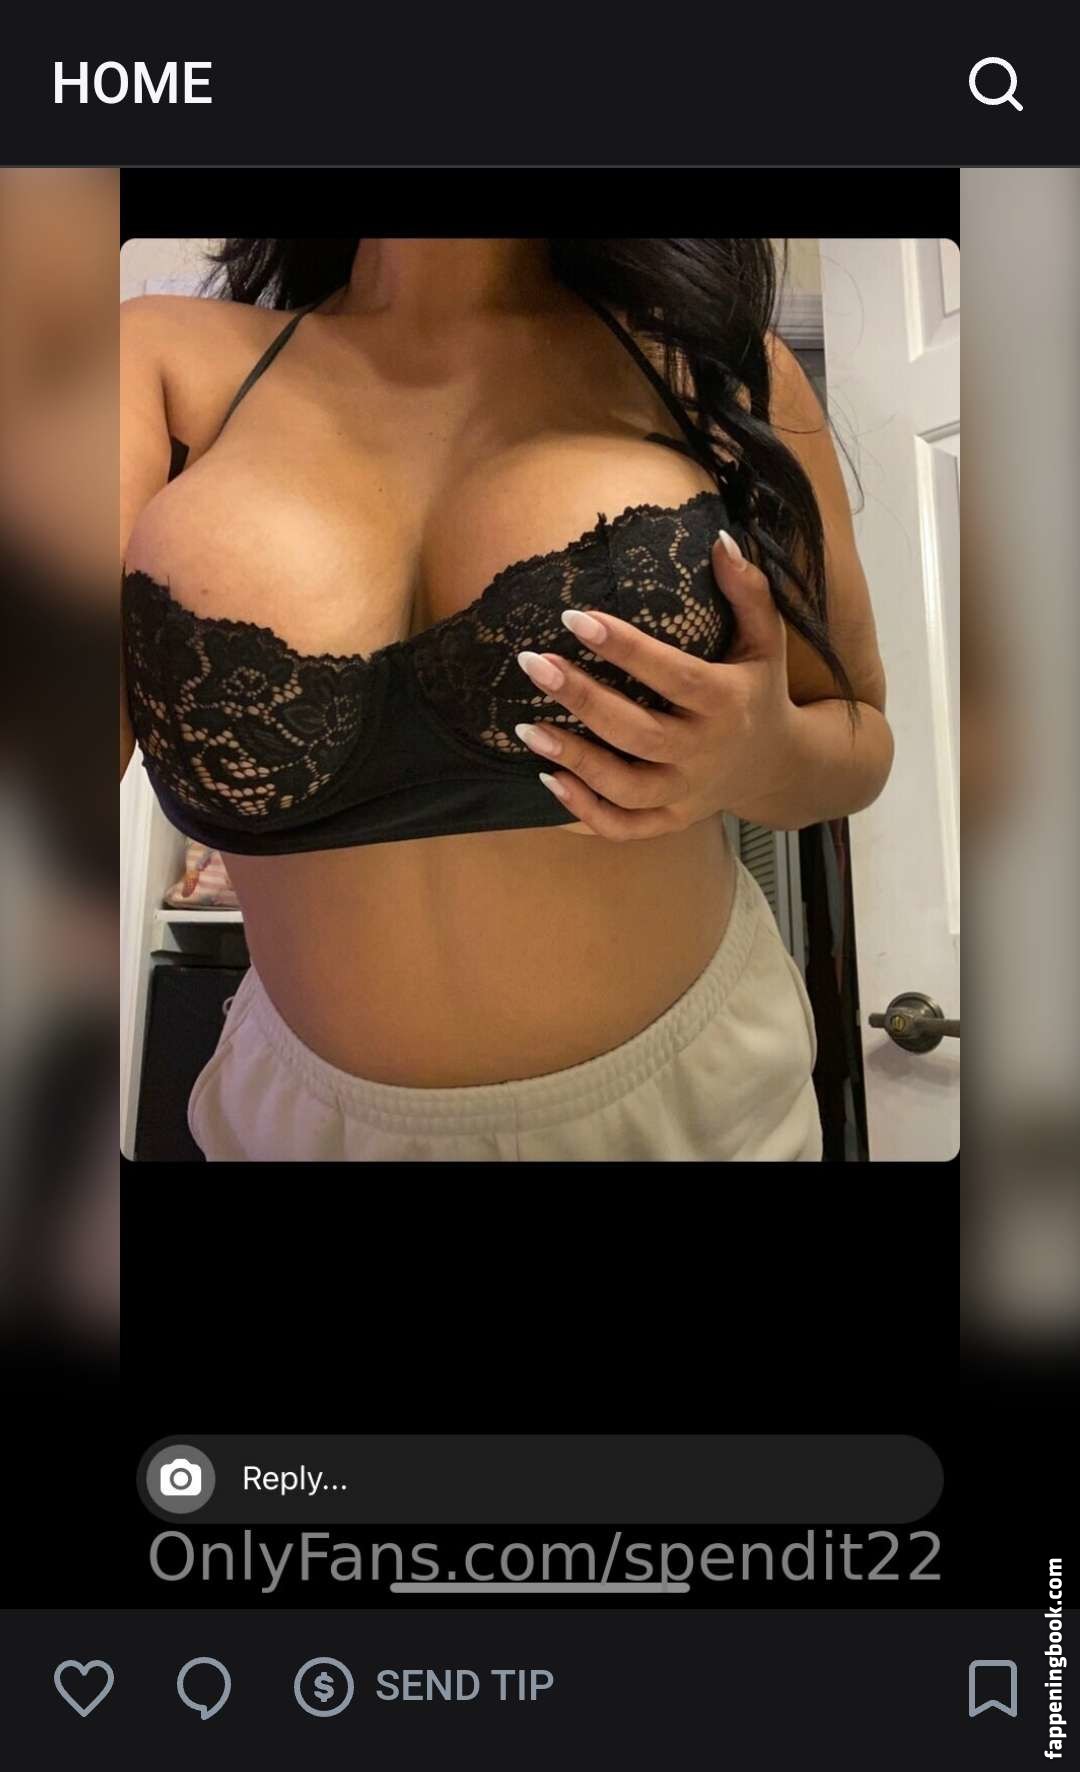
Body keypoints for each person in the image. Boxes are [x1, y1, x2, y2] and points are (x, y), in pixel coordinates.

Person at [120, 237, 893, 1161]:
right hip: (302, 1131)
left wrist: (760, 755)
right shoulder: (157, 361)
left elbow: (860, 741)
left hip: (689, 1114)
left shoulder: (714, 366)